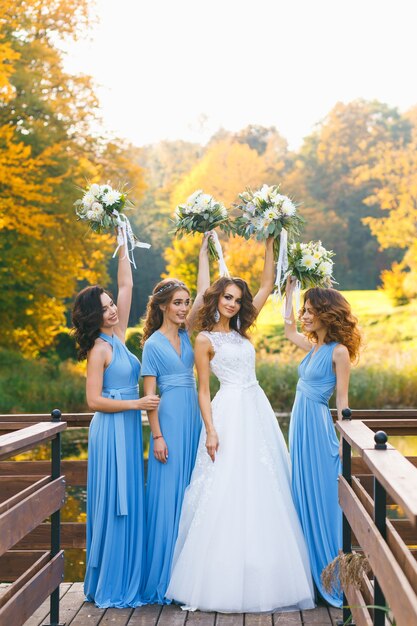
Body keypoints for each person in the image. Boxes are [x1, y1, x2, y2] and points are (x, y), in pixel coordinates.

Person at [165, 239, 315, 613]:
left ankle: (264, 574)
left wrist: (271, 239)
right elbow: (203, 390)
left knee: (265, 487)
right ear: (216, 299)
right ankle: (220, 579)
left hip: (257, 409)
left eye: (236, 299)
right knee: (225, 488)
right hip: (229, 410)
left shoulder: (242, 330)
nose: (232, 303)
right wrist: (211, 430)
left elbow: (266, 285)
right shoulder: (204, 339)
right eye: (227, 297)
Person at [72, 238, 159, 608]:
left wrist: (123, 241)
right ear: (93, 315)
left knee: (130, 498)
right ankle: (111, 580)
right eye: (105, 308)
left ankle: (126, 574)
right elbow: (92, 401)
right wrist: (137, 402)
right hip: (110, 430)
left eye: (112, 306)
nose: (112, 311)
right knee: (114, 503)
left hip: (125, 428)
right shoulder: (99, 349)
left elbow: (127, 285)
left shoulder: (119, 337)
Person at [141, 234, 210, 604]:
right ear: (164, 307)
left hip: (194, 420)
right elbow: (149, 398)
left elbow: (204, 292)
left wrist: (203, 252)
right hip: (168, 421)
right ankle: (164, 579)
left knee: (192, 493)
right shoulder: (151, 344)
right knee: (168, 497)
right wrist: (157, 437)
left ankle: (189, 577)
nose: (184, 308)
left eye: (186, 303)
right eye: (178, 304)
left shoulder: (189, 334)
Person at [284, 279, 362, 607]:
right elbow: (288, 330)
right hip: (299, 428)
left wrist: (347, 440)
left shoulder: (338, 351)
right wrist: (288, 293)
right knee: (301, 494)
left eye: (310, 311)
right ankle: (310, 574)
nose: (303, 316)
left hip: (316, 427)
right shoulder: (313, 345)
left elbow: (342, 402)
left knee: (322, 497)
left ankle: (329, 574)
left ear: (326, 315)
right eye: (303, 310)